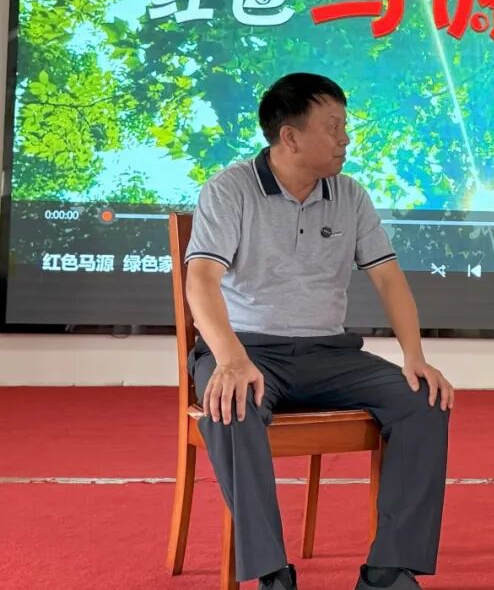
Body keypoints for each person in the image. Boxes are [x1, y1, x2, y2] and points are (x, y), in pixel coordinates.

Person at [185, 72, 452, 590]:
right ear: (290, 136)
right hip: (247, 351)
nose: (345, 139)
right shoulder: (230, 189)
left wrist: (415, 356)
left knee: (425, 400)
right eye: (333, 127)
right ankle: (271, 574)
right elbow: (201, 281)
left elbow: (388, 278)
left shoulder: (350, 195)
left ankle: (388, 571)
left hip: (329, 354)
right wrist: (230, 358)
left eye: (344, 126)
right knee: (231, 403)